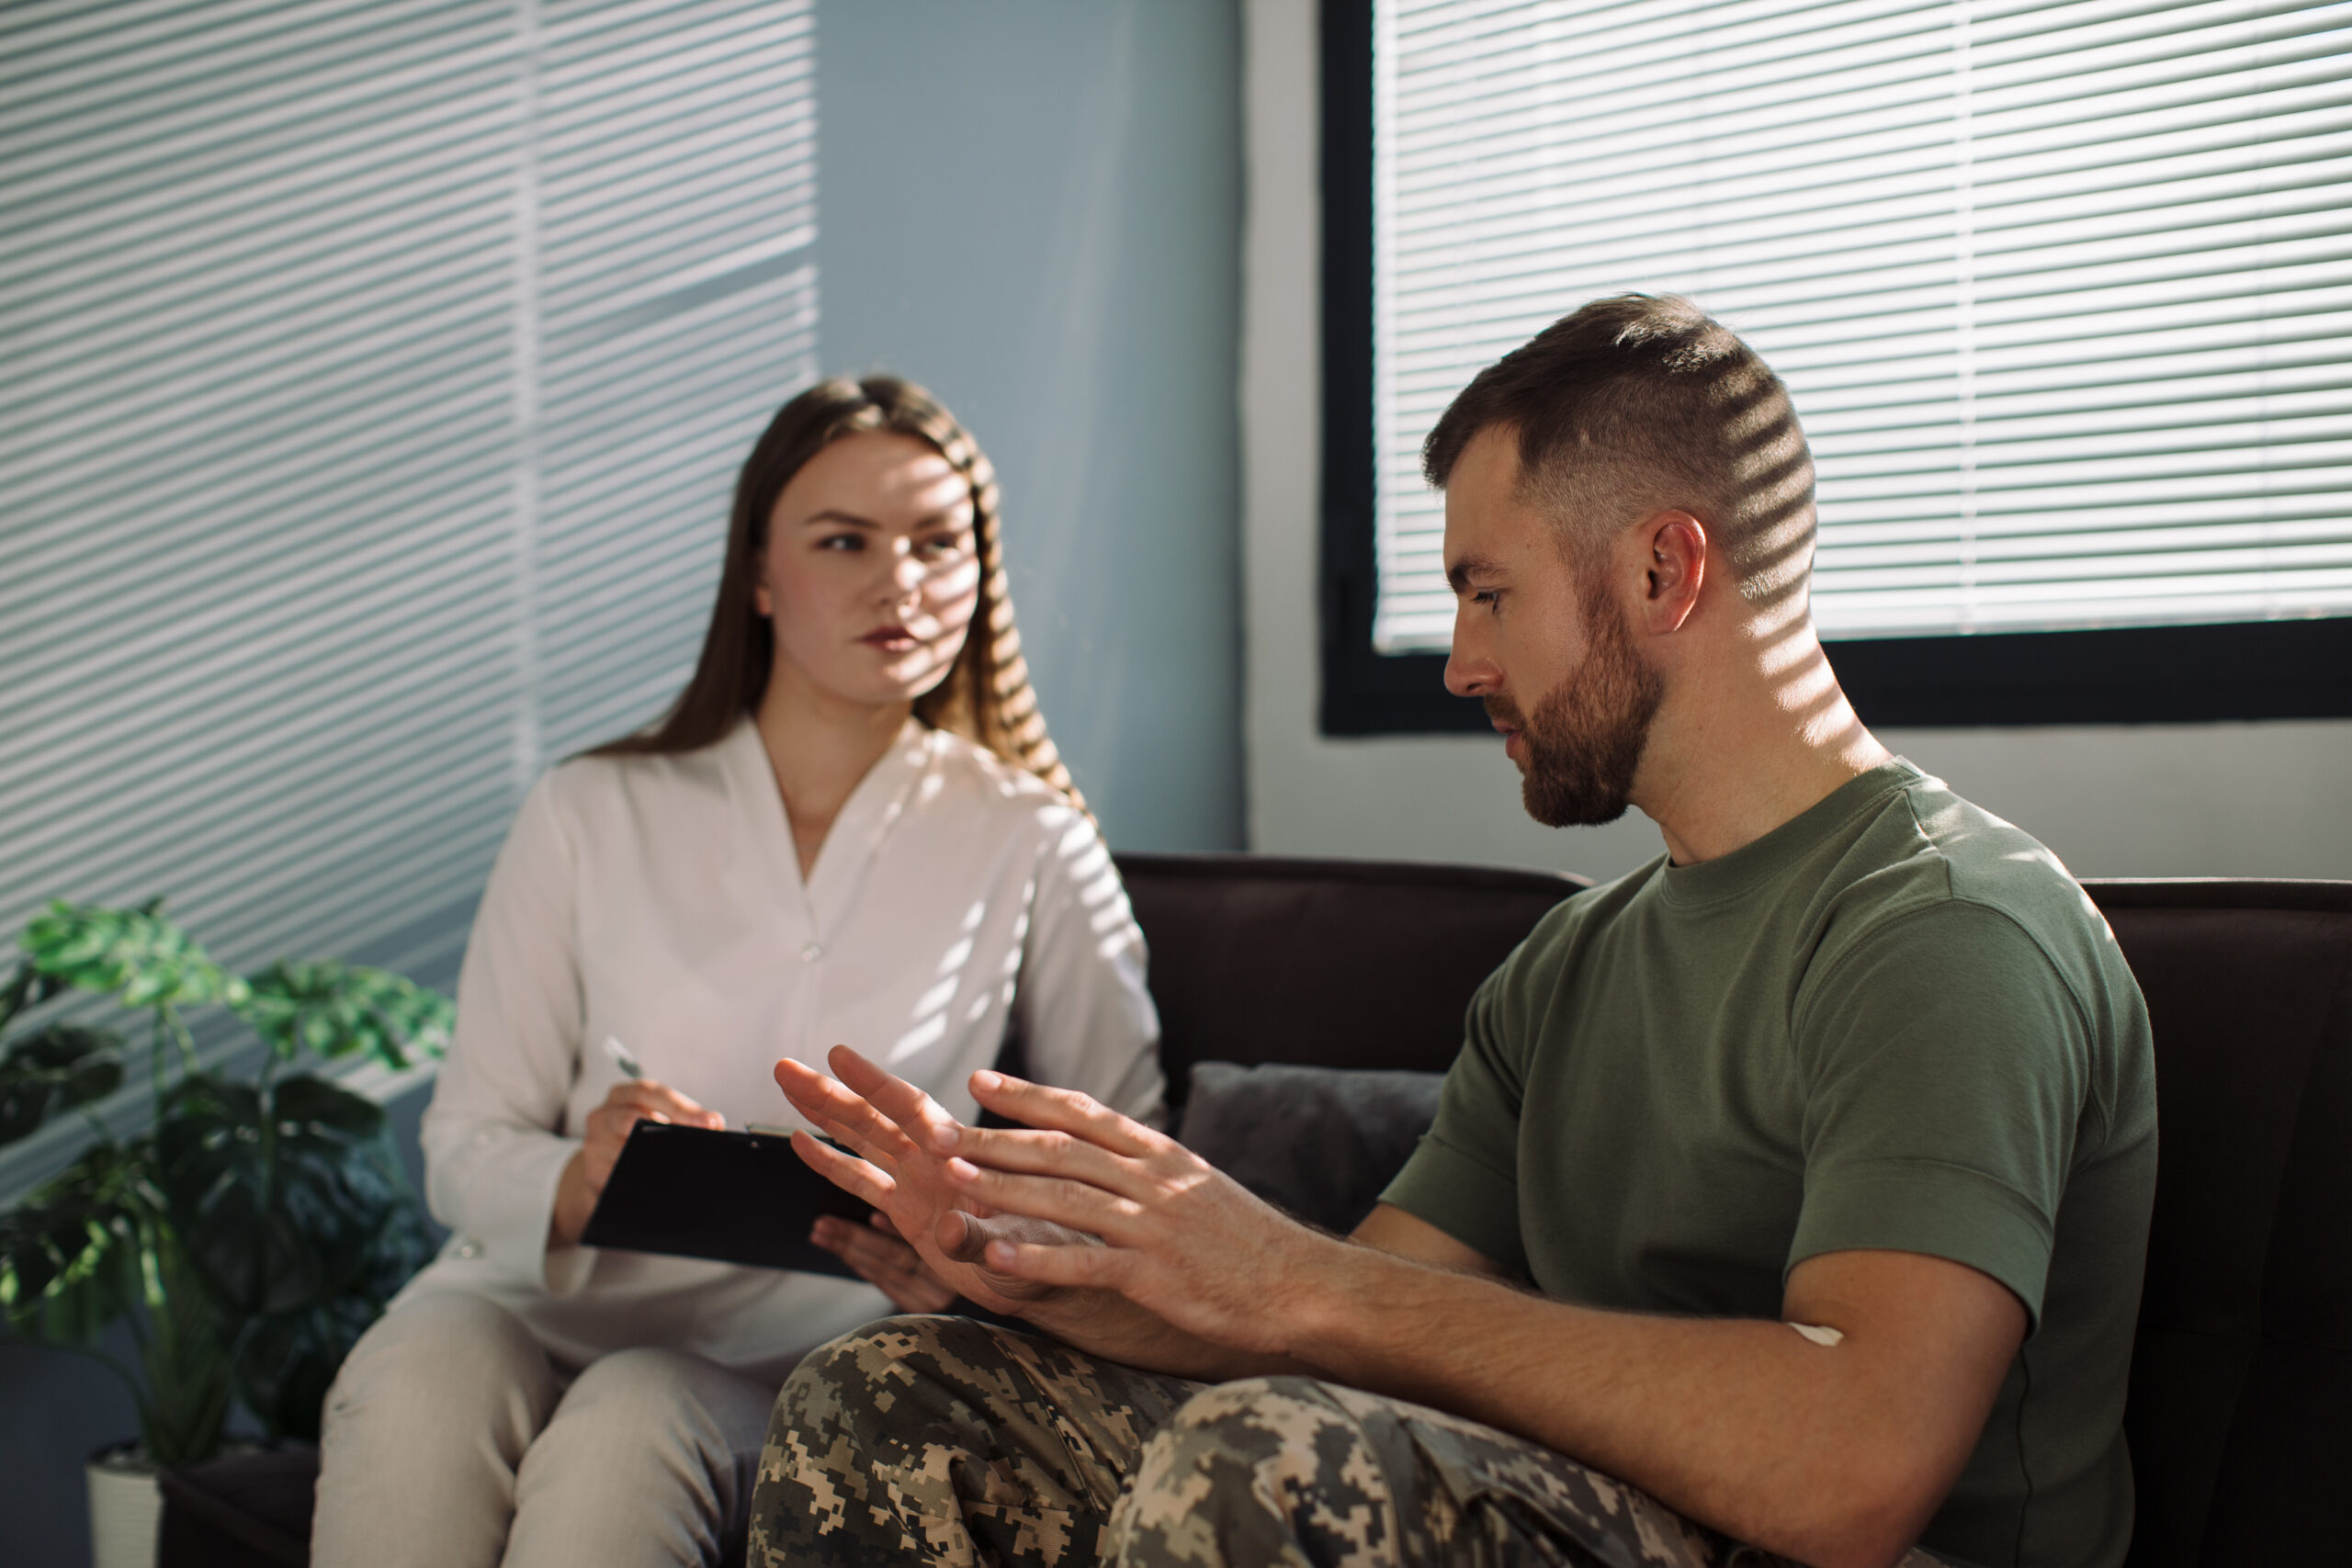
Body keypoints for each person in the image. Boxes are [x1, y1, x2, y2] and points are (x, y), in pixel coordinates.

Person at [746, 299, 2158, 1568]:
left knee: (1276, 1461)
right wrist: (1044, 1275)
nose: (1461, 660)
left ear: (1668, 572)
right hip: (1594, 1515)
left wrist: (1302, 1281)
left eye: (1491, 592)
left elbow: (1861, 1465)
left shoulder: (1946, 929)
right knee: (891, 1395)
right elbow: (1365, 1319)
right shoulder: (1567, 971)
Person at [309, 376, 1164, 1568]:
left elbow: (1119, 1174)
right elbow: (465, 1148)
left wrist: (975, 1256)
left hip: (804, 1356)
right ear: (760, 575)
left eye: (936, 542)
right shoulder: (587, 809)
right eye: (843, 541)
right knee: (417, 1377)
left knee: (634, 1418)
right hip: (532, 1305)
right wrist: (582, 1172)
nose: (899, 581)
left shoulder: (1032, 839)